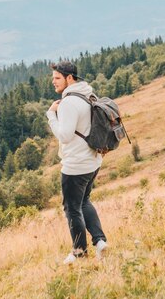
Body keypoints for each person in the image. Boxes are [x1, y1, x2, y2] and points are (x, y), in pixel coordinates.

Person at [46, 60, 108, 264]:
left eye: (57, 78)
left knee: (72, 208)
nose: (53, 82)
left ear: (69, 78)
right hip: (93, 161)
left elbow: (64, 136)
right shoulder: (87, 94)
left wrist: (51, 115)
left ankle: (80, 251)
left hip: (76, 165)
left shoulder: (69, 103)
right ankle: (100, 242)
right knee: (84, 202)